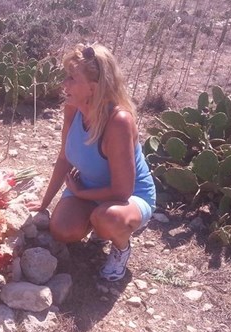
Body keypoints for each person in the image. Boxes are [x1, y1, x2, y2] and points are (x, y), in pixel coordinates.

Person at [29, 43, 156, 281]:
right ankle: (97, 223)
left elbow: (122, 190)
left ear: (92, 87)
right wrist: (44, 202)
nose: (64, 84)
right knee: (62, 229)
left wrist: (79, 192)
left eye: (72, 78)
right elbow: (64, 158)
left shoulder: (118, 122)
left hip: (129, 196)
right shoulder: (73, 108)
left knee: (107, 219)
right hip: (87, 188)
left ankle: (120, 247)